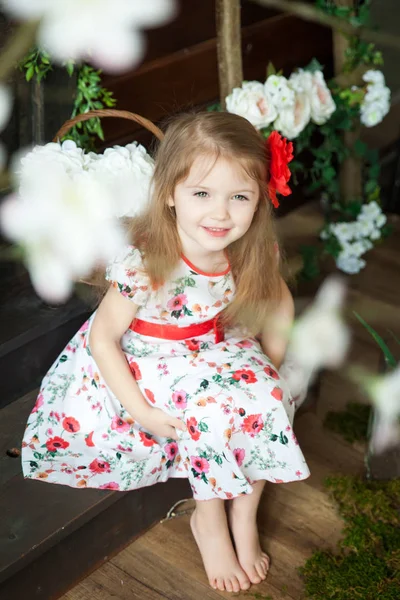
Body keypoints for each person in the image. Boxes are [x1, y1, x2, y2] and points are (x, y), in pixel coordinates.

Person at [22, 111, 310, 594]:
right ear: (171, 194)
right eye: (202, 193)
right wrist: (141, 411)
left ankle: (245, 512)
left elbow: (279, 301)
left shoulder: (247, 249)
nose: (220, 214)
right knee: (211, 411)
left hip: (216, 347)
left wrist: (271, 365)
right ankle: (209, 516)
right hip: (149, 357)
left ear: (259, 200)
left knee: (271, 398)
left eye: (239, 197)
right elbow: (104, 338)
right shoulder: (150, 258)